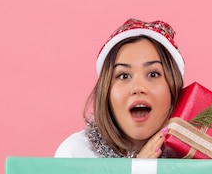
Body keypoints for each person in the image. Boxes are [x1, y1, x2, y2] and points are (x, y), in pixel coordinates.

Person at [55, 18, 185, 158]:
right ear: (107, 91)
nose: (138, 88)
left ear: (173, 88)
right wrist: (136, 172)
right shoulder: (76, 154)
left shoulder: (195, 156)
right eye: (123, 76)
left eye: (153, 74)